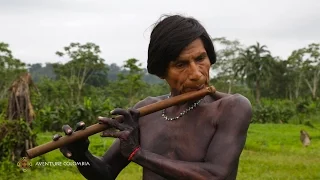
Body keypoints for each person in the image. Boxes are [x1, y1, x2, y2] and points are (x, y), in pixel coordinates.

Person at [53, 14, 252, 180]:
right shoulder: (146, 111)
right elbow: (105, 173)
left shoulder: (231, 108)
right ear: (161, 72)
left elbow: (216, 176)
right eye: (181, 65)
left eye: (200, 59)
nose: (197, 74)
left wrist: (136, 153)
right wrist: (82, 155)